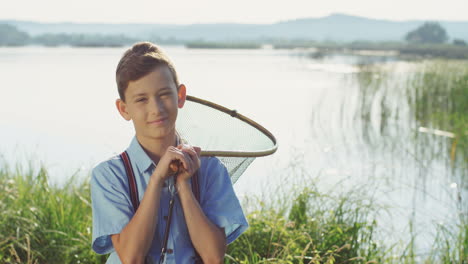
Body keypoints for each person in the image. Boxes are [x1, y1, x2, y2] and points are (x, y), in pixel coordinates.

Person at [90, 42, 248, 264]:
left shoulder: (210, 168)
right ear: (124, 109)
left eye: (164, 94)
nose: (156, 108)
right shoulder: (109, 175)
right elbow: (131, 257)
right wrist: (156, 180)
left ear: (180, 95)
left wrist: (184, 186)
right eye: (141, 99)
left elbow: (213, 256)